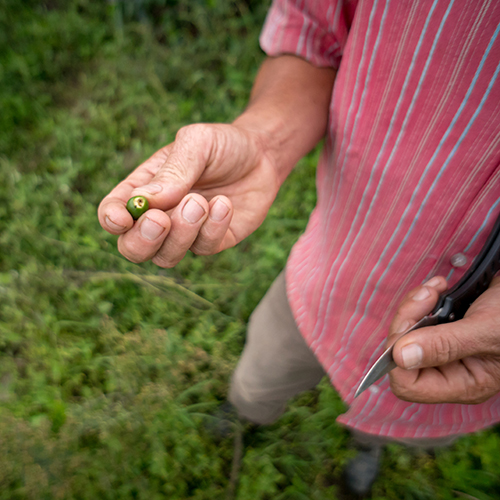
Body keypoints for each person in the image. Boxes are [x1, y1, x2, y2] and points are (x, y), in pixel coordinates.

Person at [99, 0, 500, 494]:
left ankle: (366, 444)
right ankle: (245, 413)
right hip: (326, 279)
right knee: (262, 372)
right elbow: (314, 33)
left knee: (410, 409)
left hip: (475, 356)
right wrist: (264, 141)